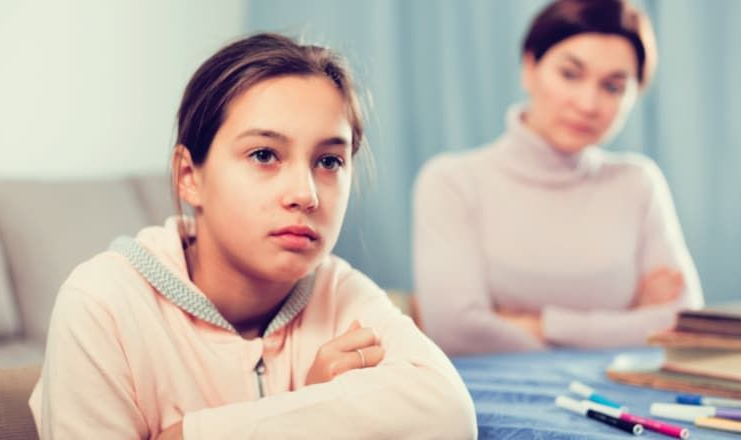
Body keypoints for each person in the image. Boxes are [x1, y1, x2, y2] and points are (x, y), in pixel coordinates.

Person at [29, 33, 476, 438]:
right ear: (189, 176)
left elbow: (449, 411)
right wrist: (319, 416)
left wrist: (190, 435)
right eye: (264, 154)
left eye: (329, 161)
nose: (305, 195)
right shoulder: (102, 304)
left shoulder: (340, 292)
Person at [413, 0, 704, 356]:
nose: (587, 104)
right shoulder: (452, 182)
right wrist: (632, 319)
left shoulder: (638, 183)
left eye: (612, 87)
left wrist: (540, 325)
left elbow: (685, 323)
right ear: (529, 67)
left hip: (623, 397)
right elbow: (455, 332)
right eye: (570, 74)